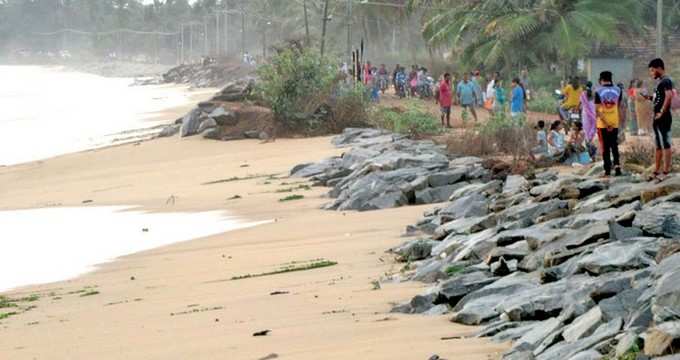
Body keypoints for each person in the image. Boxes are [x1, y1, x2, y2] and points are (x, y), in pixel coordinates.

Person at [647, 58, 674, 180]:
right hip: (657, 116)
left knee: (666, 144)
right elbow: (658, 99)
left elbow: (669, 97)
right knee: (658, 144)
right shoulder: (660, 82)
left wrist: (662, 112)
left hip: (664, 116)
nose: (651, 73)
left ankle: (666, 171)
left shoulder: (666, 81)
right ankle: (656, 170)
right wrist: (648, 97)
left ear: (659, 68)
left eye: (652, 70)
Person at [595, 71, 623, 177]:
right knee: (614, 145)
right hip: (614, 121)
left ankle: (607, 170)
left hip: (603, 124)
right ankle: (617, 167)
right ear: (611, 79)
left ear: (601, 79)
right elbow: (618, 106)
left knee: (605, 147)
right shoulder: (618, 90)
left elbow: (597, 110)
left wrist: (606, 123)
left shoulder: (598, 90)